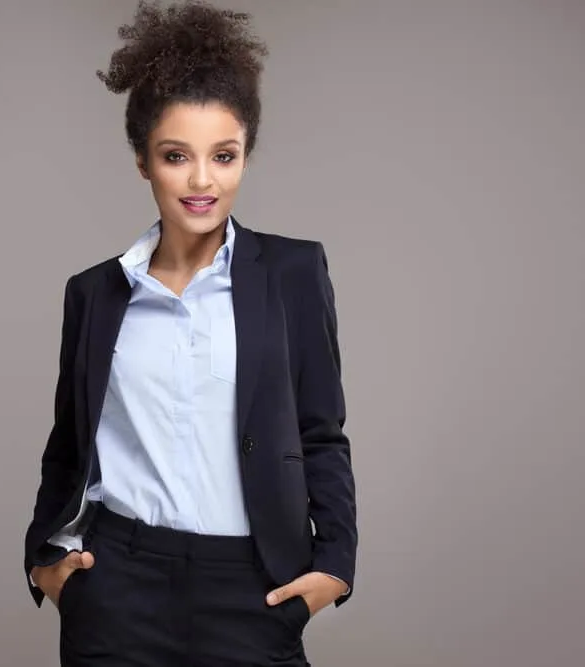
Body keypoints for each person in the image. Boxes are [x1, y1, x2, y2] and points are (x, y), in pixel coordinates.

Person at [22, 2, 357, 665]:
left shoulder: (291, 273)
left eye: (223, 155)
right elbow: (70, 444)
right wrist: (44, 560)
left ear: (244, 156)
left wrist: (334, 568)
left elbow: (322, 432)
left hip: (252, 586)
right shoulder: (93, 294)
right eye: (177, 155)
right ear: (144, 160)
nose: (202, 180)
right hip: (118, 586)